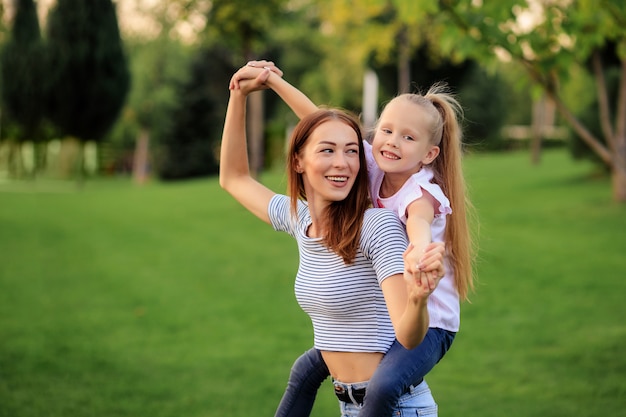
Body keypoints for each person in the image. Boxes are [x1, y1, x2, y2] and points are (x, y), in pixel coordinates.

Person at [230, 61, 476, 417]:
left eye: (408, 137)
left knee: (384, 387)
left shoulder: (419, 192)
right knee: (306, 369)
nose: (391, 142)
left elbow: (419, 225)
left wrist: (421, 255)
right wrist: (272, 83)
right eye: (386, 130)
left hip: (432, 320)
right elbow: (317, 119)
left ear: (429, 154)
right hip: (395, 319)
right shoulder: (376, 163)